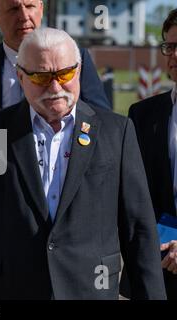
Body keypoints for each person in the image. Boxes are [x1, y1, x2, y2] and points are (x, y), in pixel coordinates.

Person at [0, 27, 167, 300]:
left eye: (64, 74)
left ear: (78, 70)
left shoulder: (116, 131)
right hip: (9, 289)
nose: (55, 87)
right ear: (20, 76)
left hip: (89, 290)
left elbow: (139, 230)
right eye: (41, 76)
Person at [0, 0, 110, 130]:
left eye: (30, 6)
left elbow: (102, 123)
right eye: (14, 9)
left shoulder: (75, 59)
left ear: (41, 9)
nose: (23, 16)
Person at [128, 8, 177, 299]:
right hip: (156, 263)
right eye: (170, 47)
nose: (174, 56)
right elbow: (132, 192)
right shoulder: (142, 115)